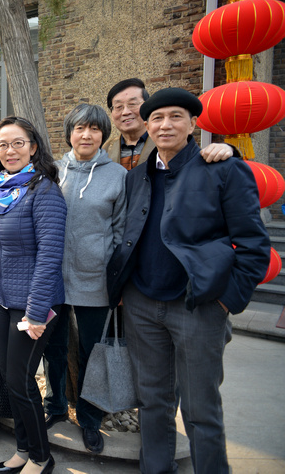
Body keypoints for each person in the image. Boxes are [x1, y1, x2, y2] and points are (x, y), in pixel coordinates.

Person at [106, 88, 270, 474]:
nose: (166, 125)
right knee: (153, 402)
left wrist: (228, 300)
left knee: (200, 409)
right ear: (147, 126)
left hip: (198, 305)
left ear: (193, 124)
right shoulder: (139, 177)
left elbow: (253, 244)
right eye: (157, 118)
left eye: (176, 116)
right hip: (143, 303)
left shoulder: (223, 169)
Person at [0, 117, 66, 474]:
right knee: (10, 378)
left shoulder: (44, 190)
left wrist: (35, 313)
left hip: (32, 304)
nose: (9, 151)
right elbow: (3, 242)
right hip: (3, 299)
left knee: (20, 380)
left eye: (18, 143)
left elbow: (50, 254)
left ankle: (41, 457)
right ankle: (23, 448)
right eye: (3, 144)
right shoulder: (4, 189)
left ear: (33, 147)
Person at [42, 105, 126, 454]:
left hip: (96, 281)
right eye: (79, 128)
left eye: (94, 129)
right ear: (69, 133)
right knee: (54, 348)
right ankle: (56, 406)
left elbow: (121, 233)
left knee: (93, 351)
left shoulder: (117, 175)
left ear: (104, 134)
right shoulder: (51, 171)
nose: (86, 135)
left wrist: (118, 280)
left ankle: (91, 420)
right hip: (52, 280)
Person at [104, 78, 233, 169]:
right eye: (118, 107)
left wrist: (228, 149)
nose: (125, 112)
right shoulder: (104, 149)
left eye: (132, 104)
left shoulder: (168, 140)